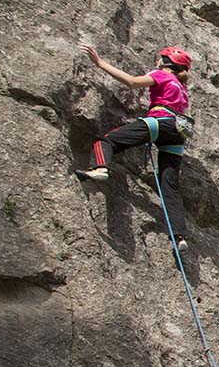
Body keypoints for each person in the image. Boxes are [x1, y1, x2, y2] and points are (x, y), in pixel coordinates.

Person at [75, 44, 194, 253]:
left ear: (167, 62)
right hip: (177, 132)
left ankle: (100, 167)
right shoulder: (182, 88)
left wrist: (100, 62)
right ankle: (179, 236)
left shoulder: (162, 75)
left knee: (107, 141)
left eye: (161, 58)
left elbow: (131, 82)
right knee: (170, 185)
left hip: (160, 121)